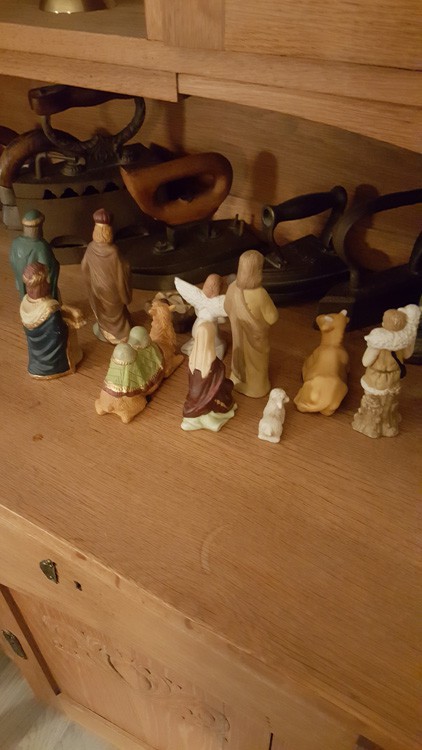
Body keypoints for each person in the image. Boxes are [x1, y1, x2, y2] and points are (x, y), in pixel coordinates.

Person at [352, 304, 420, 438]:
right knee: (387, 401)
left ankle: (374, 425)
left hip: (377, 377)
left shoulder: (378, 342)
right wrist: (411, 335)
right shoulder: (402, 342)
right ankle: (386, 423)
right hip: (393, 376)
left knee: (377, 402)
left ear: (383, 323)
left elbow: (366, 361)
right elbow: (407, 354)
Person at [224, 249, 279, 398]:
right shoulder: (260, 294)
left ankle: (238, 379)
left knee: (240, 357)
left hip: (238, 335)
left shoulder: (232, 288)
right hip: (256, 338)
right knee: (256, 363)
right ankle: (256, 387)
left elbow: (226, 308)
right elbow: (272, 317)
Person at [20, 262, 85, 379]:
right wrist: (71, 323)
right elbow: (57, 333)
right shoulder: (49, 308)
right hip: (53, 358)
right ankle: (61, 368)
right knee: (71, 339)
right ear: (40, 286)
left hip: (37, 354)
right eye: (45, 281)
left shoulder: (25, 302)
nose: (48, 284)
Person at [81, 208, 132, 344]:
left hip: (98, 288)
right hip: (112, 289)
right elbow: (122, 270)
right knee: (115, 312)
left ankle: (107, 332)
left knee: (105, 312)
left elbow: (84, 266)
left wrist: (92, 282)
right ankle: (120, 335)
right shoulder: (113, 252)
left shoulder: (91, 247)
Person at [181, 321, 236, 432]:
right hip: (206, 397)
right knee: (225, 395)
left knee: (228, 385)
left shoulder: (193, 358)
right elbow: (215, 381)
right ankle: (206, 415)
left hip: (194, 397)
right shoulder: (210, 359)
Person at [10, 209, 59, 300]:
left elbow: (12, 262)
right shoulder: (41, 246)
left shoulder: (15, 243)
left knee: (25, 300)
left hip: (22, 283)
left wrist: (18, 280)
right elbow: (48, 266)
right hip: (37, 290)